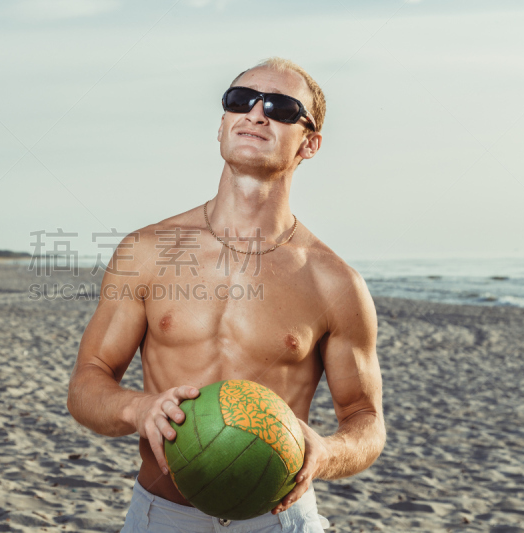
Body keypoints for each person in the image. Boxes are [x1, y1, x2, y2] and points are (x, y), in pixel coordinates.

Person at [66, 57, 385, 532]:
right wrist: (139, 408)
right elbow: (86, 384)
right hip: (162, 514)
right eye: (241, 100)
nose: (256, 114)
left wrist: (329, 452)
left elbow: (365, 419)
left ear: (310, 143)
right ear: (221, 126)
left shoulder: (334, 281)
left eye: (280, 107)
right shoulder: (147, 251)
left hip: (277, 519)